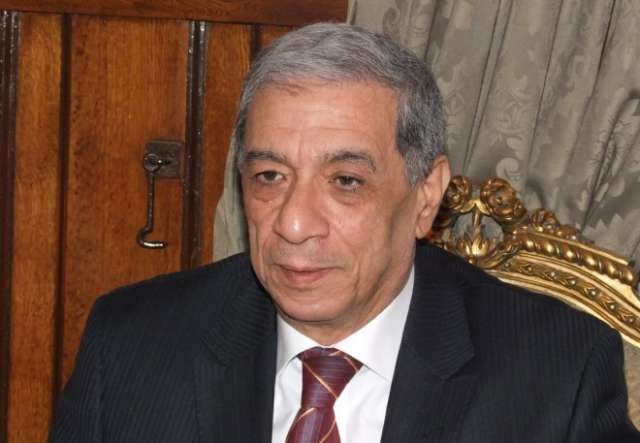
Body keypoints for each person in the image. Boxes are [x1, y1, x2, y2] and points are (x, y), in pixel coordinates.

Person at [50, 23, 639, 443]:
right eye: (270, 175)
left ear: (426, 196)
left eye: (346, 181)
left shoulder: (557, 375)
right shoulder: (132, 346)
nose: (293, 224)